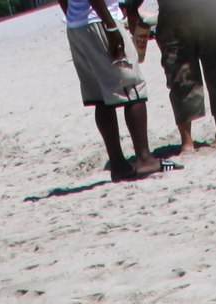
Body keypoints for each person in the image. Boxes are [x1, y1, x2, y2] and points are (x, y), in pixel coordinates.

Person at [63, 0, 160, 183]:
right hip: (99, 20)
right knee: (133, 88)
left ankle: (118, 165)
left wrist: (74, 16)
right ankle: (144, 158)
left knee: (101, 98)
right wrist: (110, 26)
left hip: (76, 26)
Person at [128, 0, 216, 150]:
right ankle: (188, 140)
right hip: (176, 13)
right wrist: (131, 8)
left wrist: (131, 9)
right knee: (180, 75)